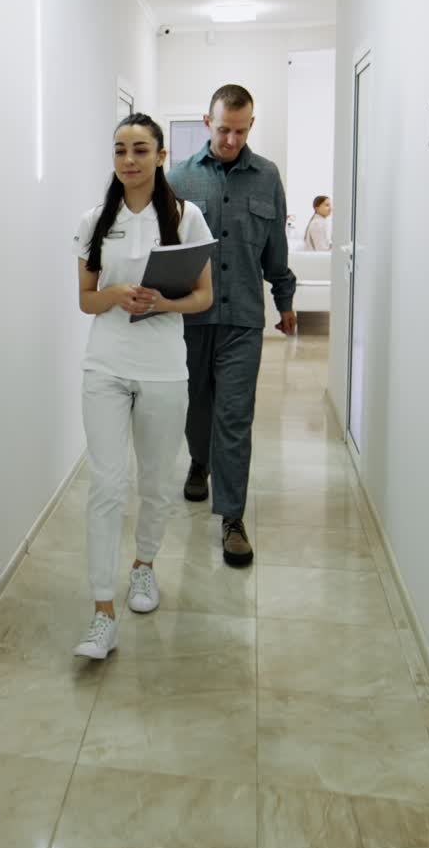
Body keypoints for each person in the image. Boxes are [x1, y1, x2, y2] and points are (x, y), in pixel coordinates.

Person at [71, 114, 215, 659]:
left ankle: (144, 567)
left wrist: (163, 302)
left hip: (162, 368)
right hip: (104, 366)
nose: (128, 160)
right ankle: (101, 610)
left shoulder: (185, 216)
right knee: (106, 485)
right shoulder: (94, 220)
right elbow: (86, 298)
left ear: (160, 156)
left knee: (155, 481)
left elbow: (203, 295)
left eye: (140, 150)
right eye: (119, 150)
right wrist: (116, 295)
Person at [167, 84, 296, 568]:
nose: (231, 140)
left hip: (243, 317)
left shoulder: (267, 177)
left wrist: (285, 300)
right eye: (223, 129)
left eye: (241, 131)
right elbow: (164, 251)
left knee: (235, 415)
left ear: (251, 126)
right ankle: (199, 461)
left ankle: (232, 518)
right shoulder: (177, 178)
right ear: (207, 122)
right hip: (190, 319)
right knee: (196, 406)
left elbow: (274, 251)